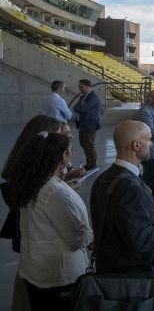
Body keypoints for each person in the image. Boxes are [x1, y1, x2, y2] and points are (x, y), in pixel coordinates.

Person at [9, 132, 92, 310]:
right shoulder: (56, 193)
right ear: (64, 156)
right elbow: (77, 239)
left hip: (36, 270)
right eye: (70, 150)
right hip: (58, 277)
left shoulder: (34, 181)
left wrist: (65, 182)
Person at [90, 121, 154, 272]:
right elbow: (142, 241)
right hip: (128, 275)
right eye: (148, 139)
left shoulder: (103, 177)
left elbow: (116, 216)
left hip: (109, 265)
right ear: (136, 145)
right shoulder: (130, 187)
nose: (151, 144)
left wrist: (150, 207)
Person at [1, 116, 64, 311]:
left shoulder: (23, 161)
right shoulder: (30, 171)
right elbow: (34, 198)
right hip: (34, 238)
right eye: (61, 137)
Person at [73, 79, 101, 170]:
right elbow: (76, 106)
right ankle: (89, 162)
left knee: (89, 145)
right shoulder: (83, 96)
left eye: (81, 87)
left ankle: (92, 165)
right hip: (83, 124)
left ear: (88, 86)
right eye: (79, 87)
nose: (80, 89)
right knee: (83, 143)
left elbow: (82, 109)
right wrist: (78, 107)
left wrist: (78, 107)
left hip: (89, 125)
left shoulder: (93, 97)